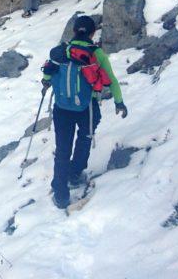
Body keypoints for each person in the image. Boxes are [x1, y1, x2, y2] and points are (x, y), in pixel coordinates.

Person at [41, 14, 128, 208]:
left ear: (73, 31)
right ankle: (75, 172)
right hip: (87, 107)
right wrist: (119, 102)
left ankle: (61, 194)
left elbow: (48, 73)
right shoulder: (96, 54)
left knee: (63, 149)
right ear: (93, 32)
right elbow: (111, 80)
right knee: (85, 137)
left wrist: (46, 82)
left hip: (62, 107)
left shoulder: (61, 51)